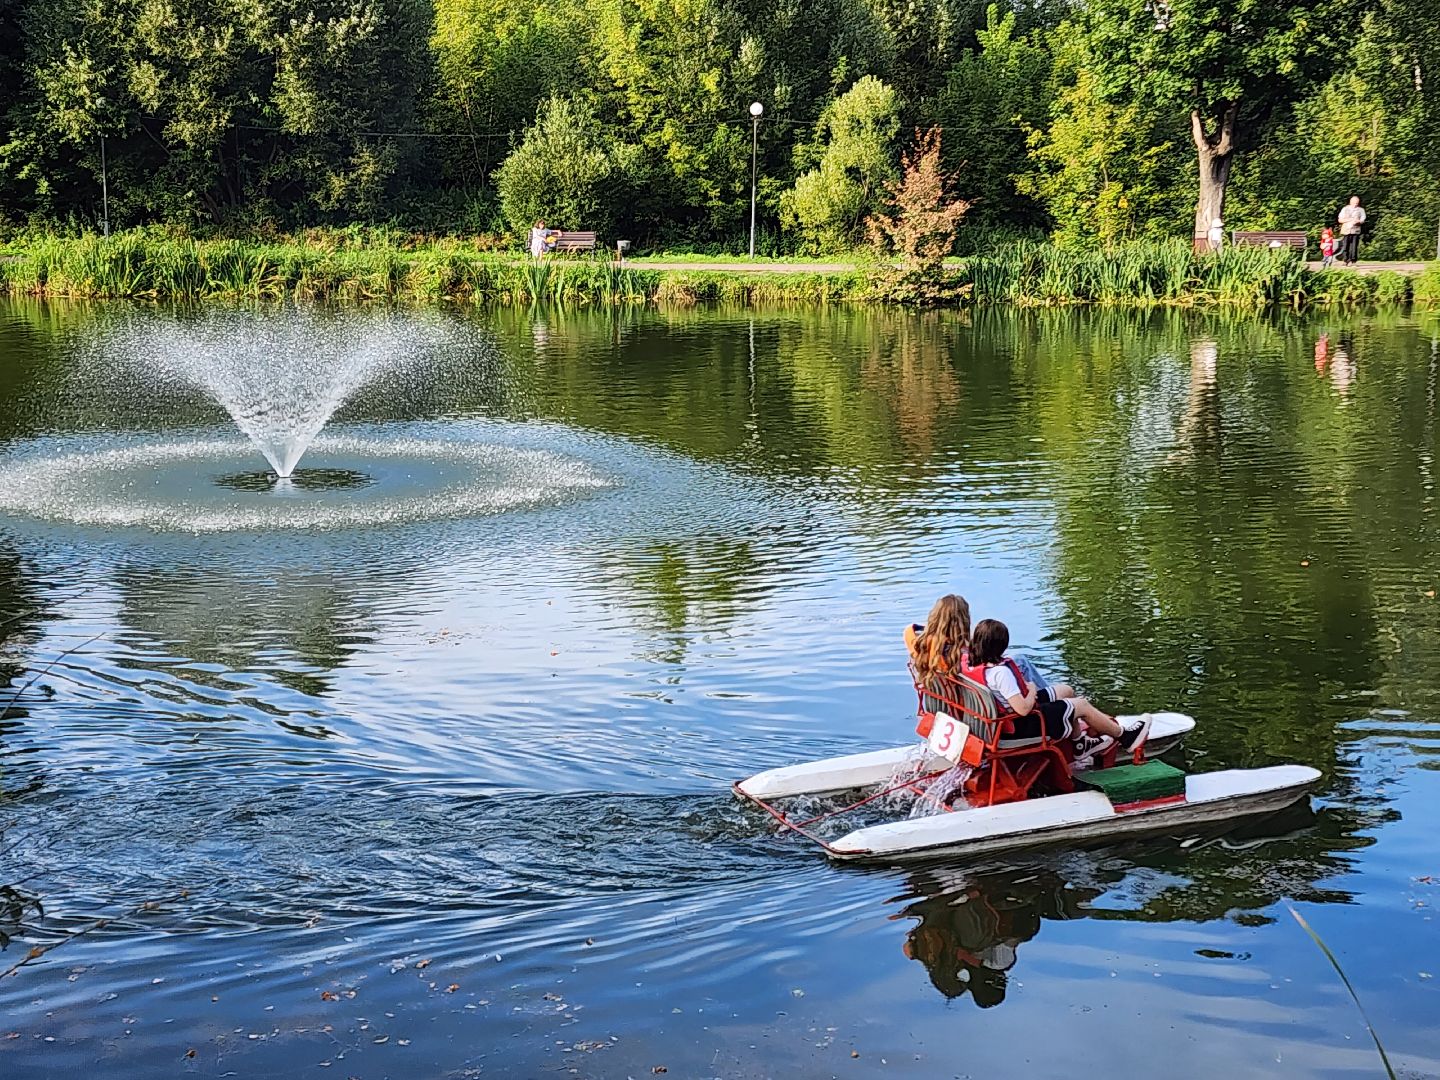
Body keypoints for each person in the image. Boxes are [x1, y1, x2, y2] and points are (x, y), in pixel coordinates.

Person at [966, 618, 1150, 763]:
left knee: (1067, 690)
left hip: (1004, 717)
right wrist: (1030, 690)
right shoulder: (1000, 673)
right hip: (1023, 724)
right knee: (1082, 705)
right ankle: (1125, 736)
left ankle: (1080, 744)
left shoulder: (977, 665)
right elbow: (1022, 709)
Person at [905, 594, 1053, 696]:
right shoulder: (960, 653)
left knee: (1015, 660)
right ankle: (1052, 699)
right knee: (1021, 661)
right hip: (977, 698)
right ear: (963, 620)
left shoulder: (924, 644)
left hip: (951, 698)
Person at [1337, 197, 1366, 266]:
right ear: (1350, 202)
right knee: (1345, 246)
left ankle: (1353, 261)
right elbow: (1340, 220)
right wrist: (1350, 220)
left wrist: (1358, 221)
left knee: (1354, 246)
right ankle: (1345, 260)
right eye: (1354, 202)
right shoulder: (1345, 209)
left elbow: (1362, 220)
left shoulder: (1361, 210)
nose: (1355, 204)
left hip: (1355, 230)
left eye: (1357, 203)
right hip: (1346, 230)